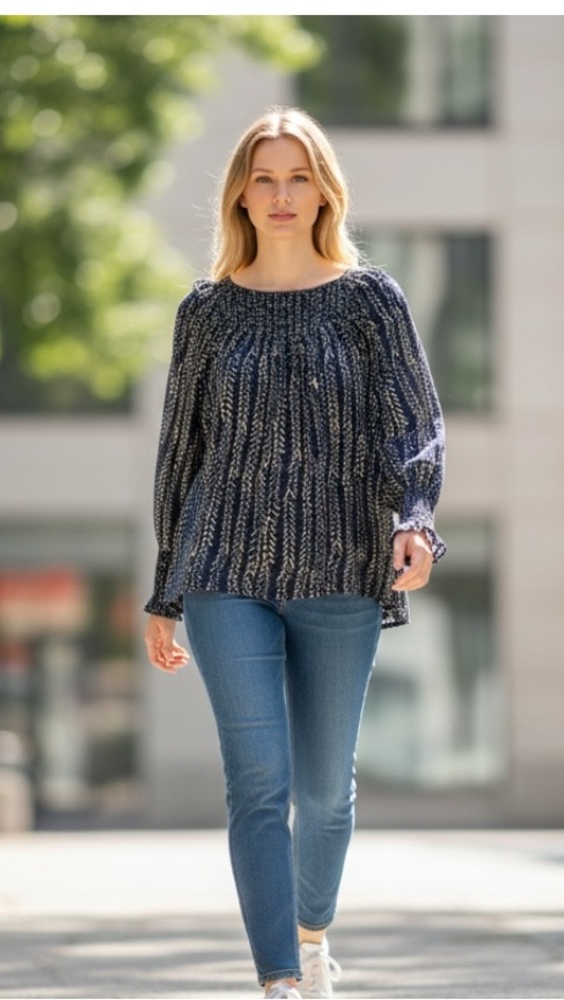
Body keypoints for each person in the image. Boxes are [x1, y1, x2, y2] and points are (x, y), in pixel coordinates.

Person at [143, 106, 446, 1000]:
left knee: (324, 795)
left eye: (298, 177)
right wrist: (167, 590)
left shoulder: (369, 300)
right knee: (258, 780)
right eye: (264, 178)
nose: (281, 196)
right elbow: (180, 454)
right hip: (222, 572)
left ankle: (312, 934)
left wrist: (416, 517)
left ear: (324, 190)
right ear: (240, 191)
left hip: (341, 570)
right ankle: (279, 980)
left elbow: (414, 424)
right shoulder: (205, 312)